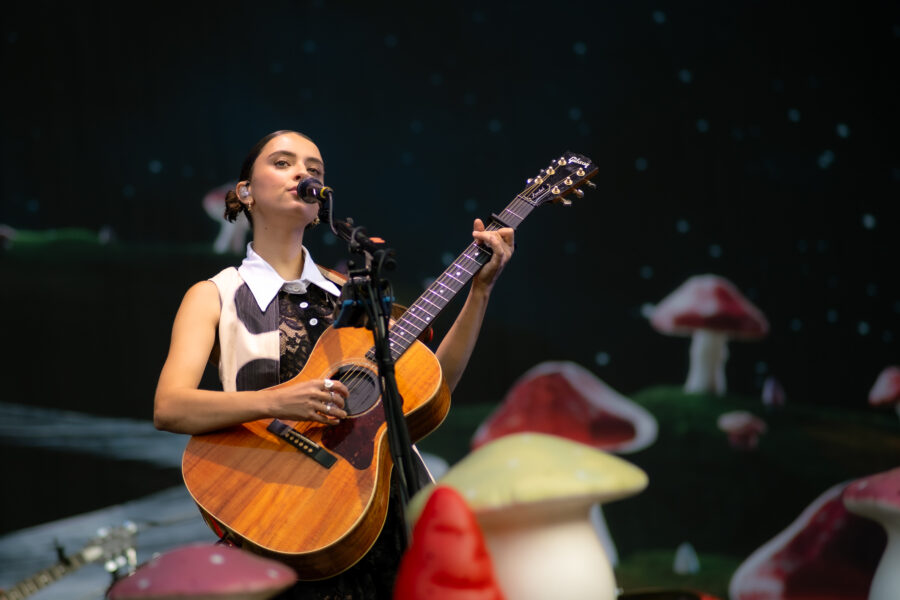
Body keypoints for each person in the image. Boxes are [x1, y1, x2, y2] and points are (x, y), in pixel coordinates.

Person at [153, 129, 514, 599]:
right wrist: (280, 399)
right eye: (283, 163)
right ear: (244, 192)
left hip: (380, 512)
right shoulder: (215, 294)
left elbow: (431, 386)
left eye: (315, 170)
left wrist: (479, 292)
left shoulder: (355, 290)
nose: (303, 173)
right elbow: (170, 407)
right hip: (283, 513)